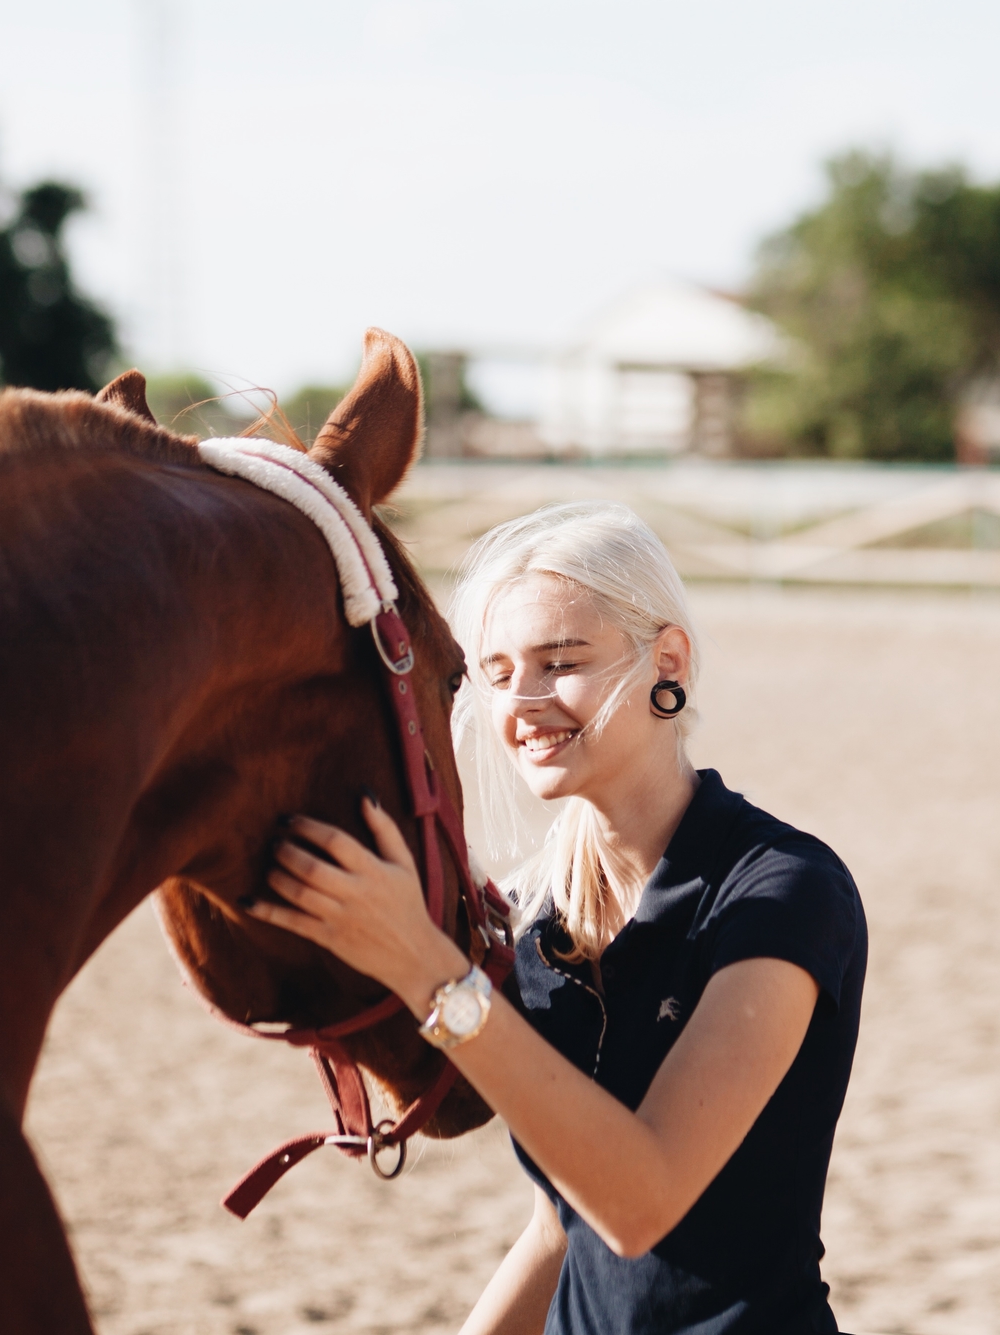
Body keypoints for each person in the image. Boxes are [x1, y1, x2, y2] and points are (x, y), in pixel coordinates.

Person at [247, 501, 867, 1334]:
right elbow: (561, 1226)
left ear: (667, 659)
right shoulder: (542, 920)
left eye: (560, 661)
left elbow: (639, 1201)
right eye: (498, 672)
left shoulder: (783, 891)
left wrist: (428, 970)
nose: (524, 700)